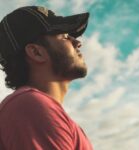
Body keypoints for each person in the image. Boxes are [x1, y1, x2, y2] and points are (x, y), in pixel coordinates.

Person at [0, 6, 93, 150]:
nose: (77, 42)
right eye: (65, 37)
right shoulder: (30, 106)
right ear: (36, 52)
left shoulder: (36, 108)